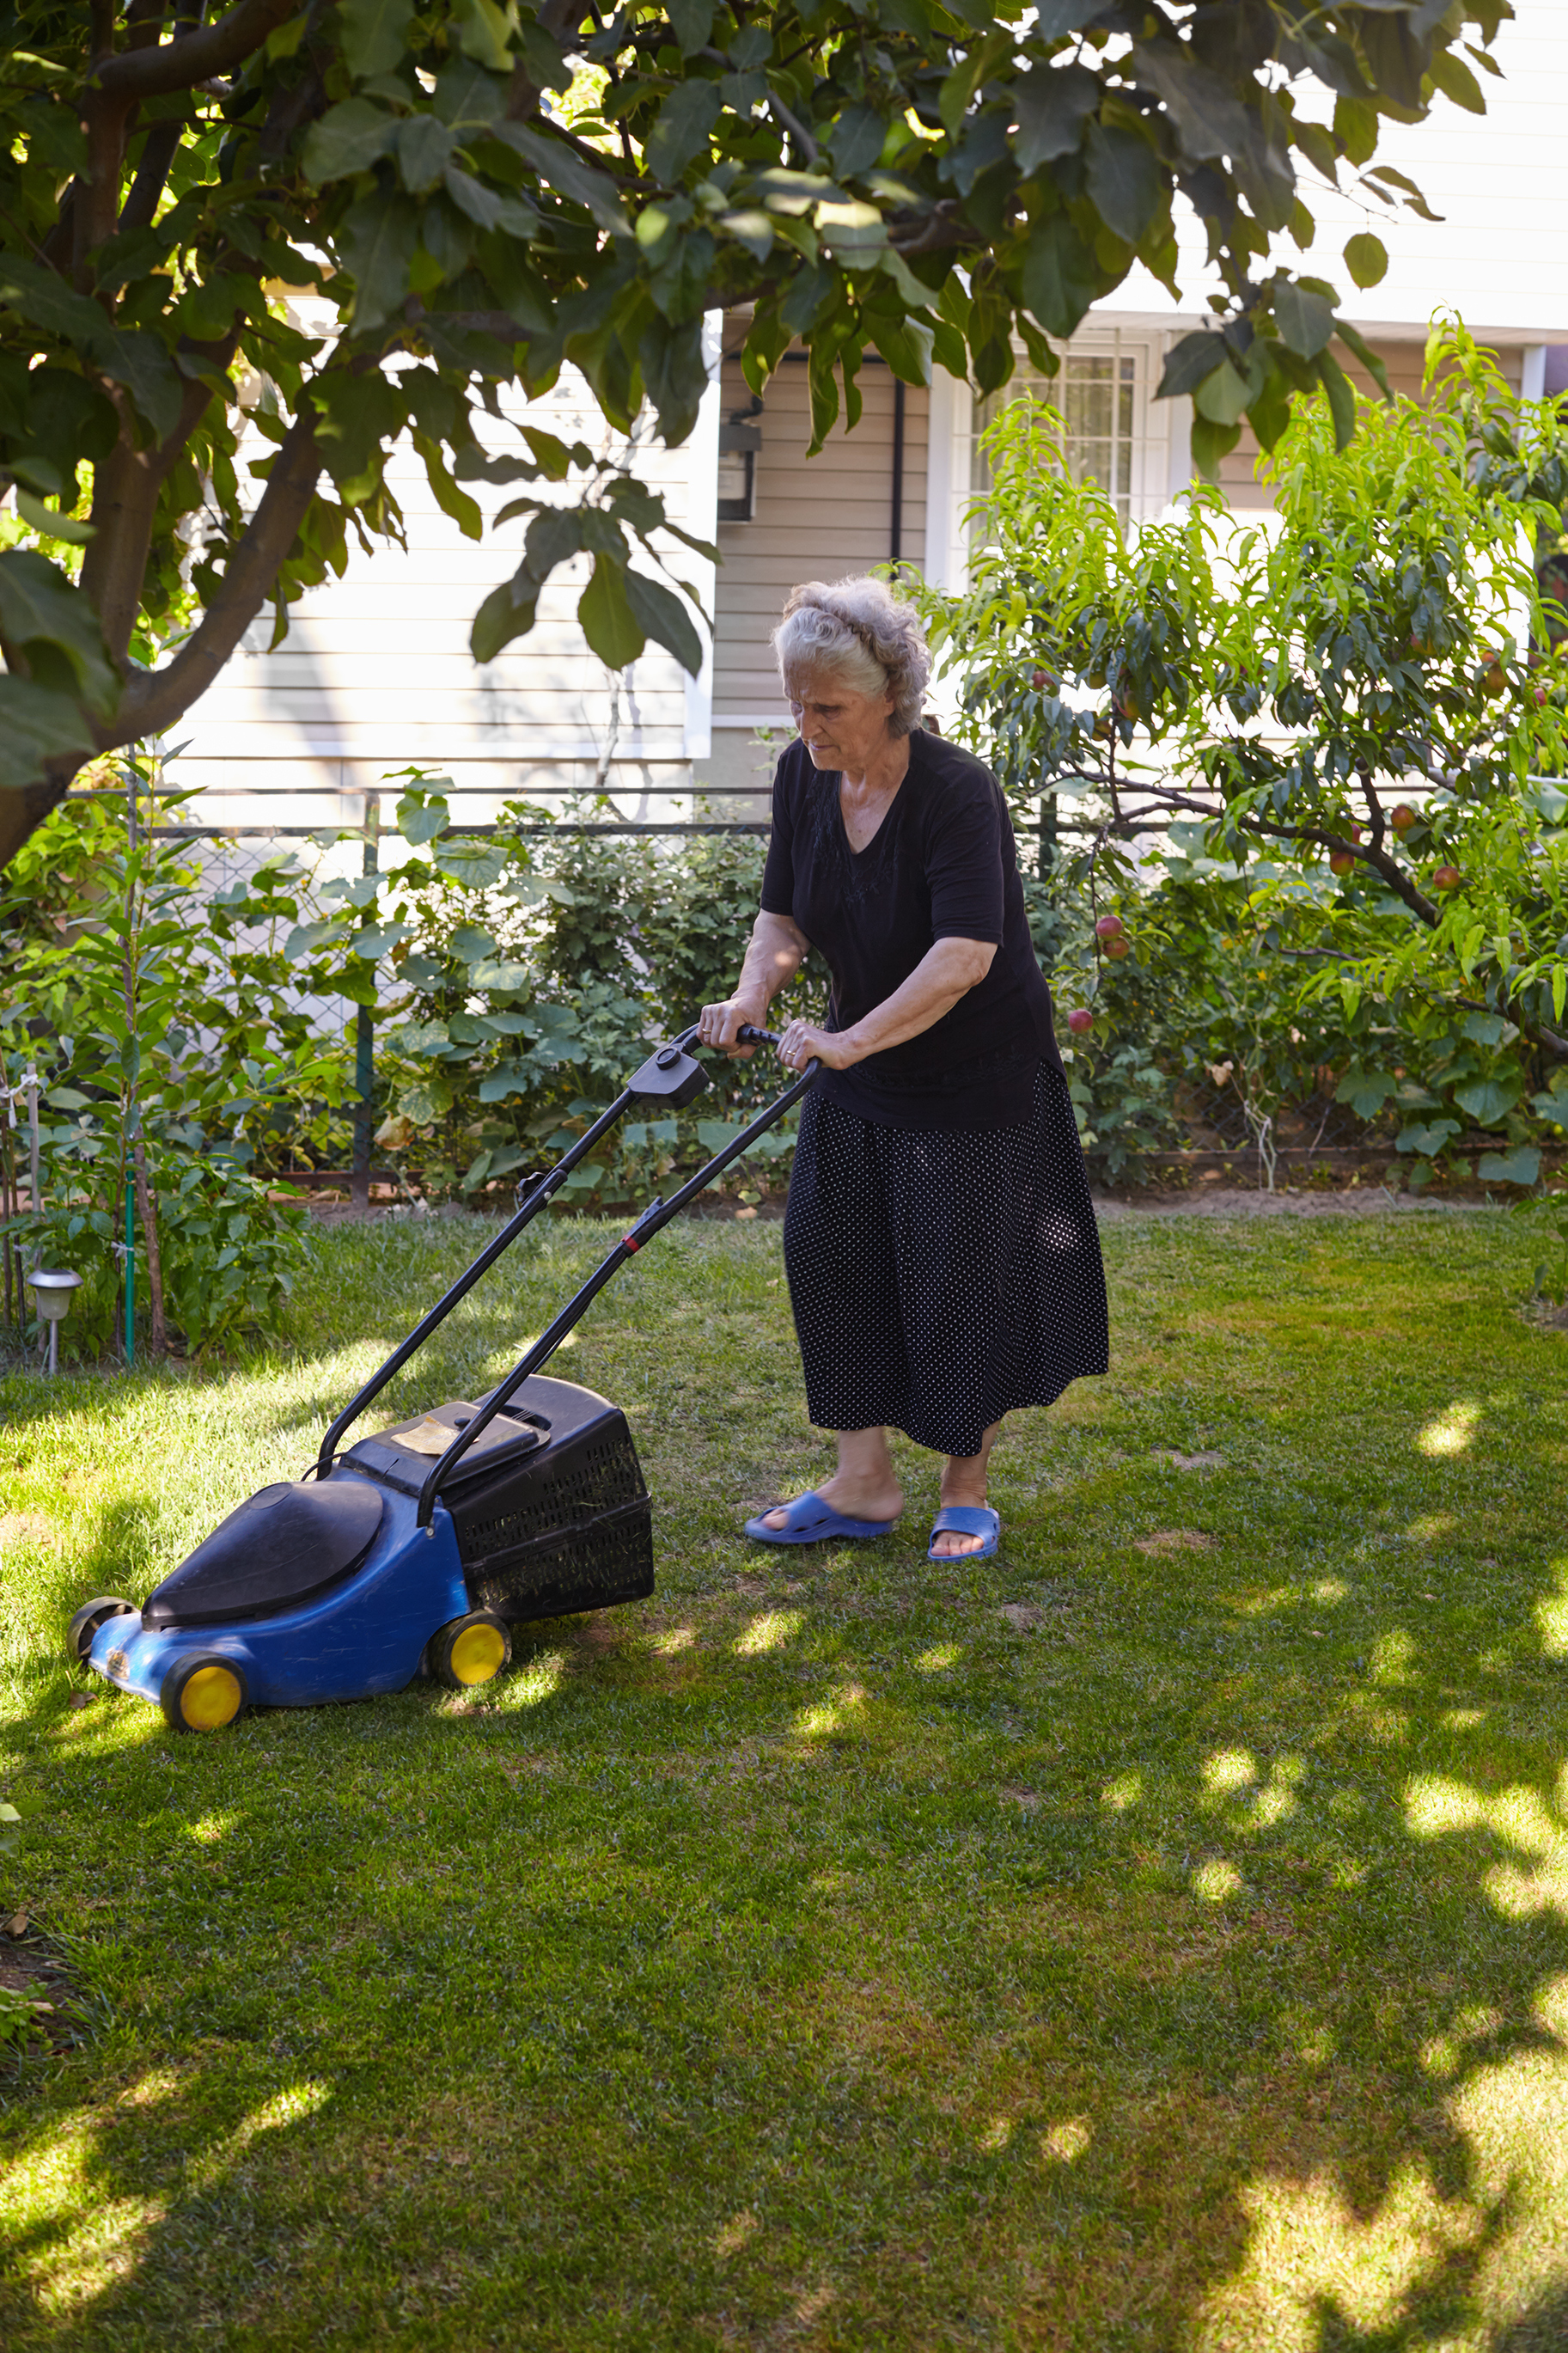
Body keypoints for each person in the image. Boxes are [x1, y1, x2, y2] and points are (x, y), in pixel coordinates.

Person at [699, 575, 1108, 1561]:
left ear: (891, 697)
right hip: (863, 1059)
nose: (807, 725)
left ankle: (964, 1487)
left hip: (978, 1076)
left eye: (827, 707)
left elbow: (964, 956)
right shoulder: (804, 777)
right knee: (827, 1254)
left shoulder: (956, 790)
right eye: (795, 703)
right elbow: (784, 915)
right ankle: (863, 1480)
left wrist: (847, 1038)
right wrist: (756, 991)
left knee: (959, 1278)